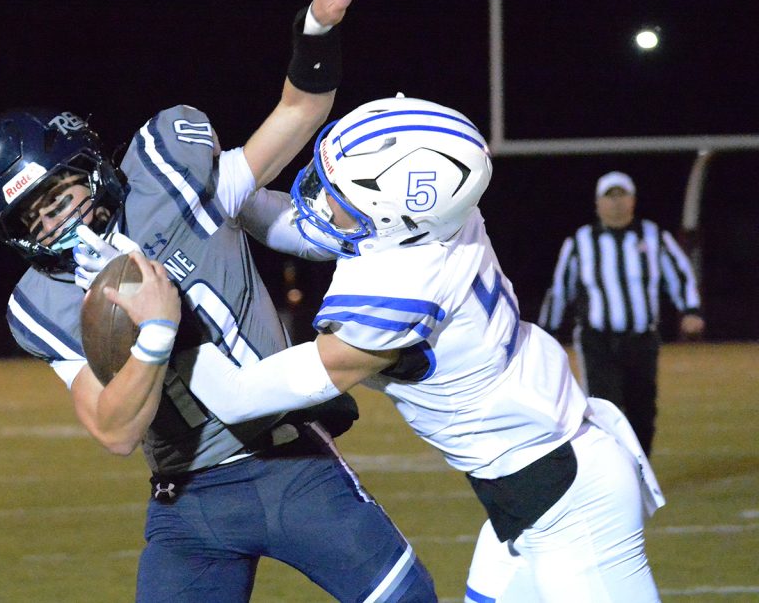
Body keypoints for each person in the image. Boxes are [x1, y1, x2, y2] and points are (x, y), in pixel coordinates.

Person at [0, 0, 437, 602]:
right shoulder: (41, 301)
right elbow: (114, 429)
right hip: (189, 503)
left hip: (293, 465)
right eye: (33, 218)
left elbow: (298, 113)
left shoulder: (169, 175)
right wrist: (155, 334)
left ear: (91, 166)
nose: (56, 222)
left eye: (59, 194)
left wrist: (317, 26)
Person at [186, 95, 665, 602]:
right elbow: (302, 227)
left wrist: (156, 320)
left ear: (397, 215)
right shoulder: (438, 223)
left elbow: (237, 396)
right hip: (537, 488)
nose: (322, 203)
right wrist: (223, 187)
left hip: (569, 504)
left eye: (340, 198)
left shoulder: (403, 291)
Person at [538, 170, 704, 456]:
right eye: (609, 196)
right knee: (605, 407)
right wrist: (546, 333)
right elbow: (560, 289)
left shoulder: (653, 237)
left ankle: (640, 469)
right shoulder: (580, 241)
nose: (616, 203)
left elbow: (680, 275)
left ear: (633, 200)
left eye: (621, 195)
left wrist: (690, 310)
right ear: (597, 203)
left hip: (642, 339)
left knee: (643, 410)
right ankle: (614, 473)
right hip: (597, 341)